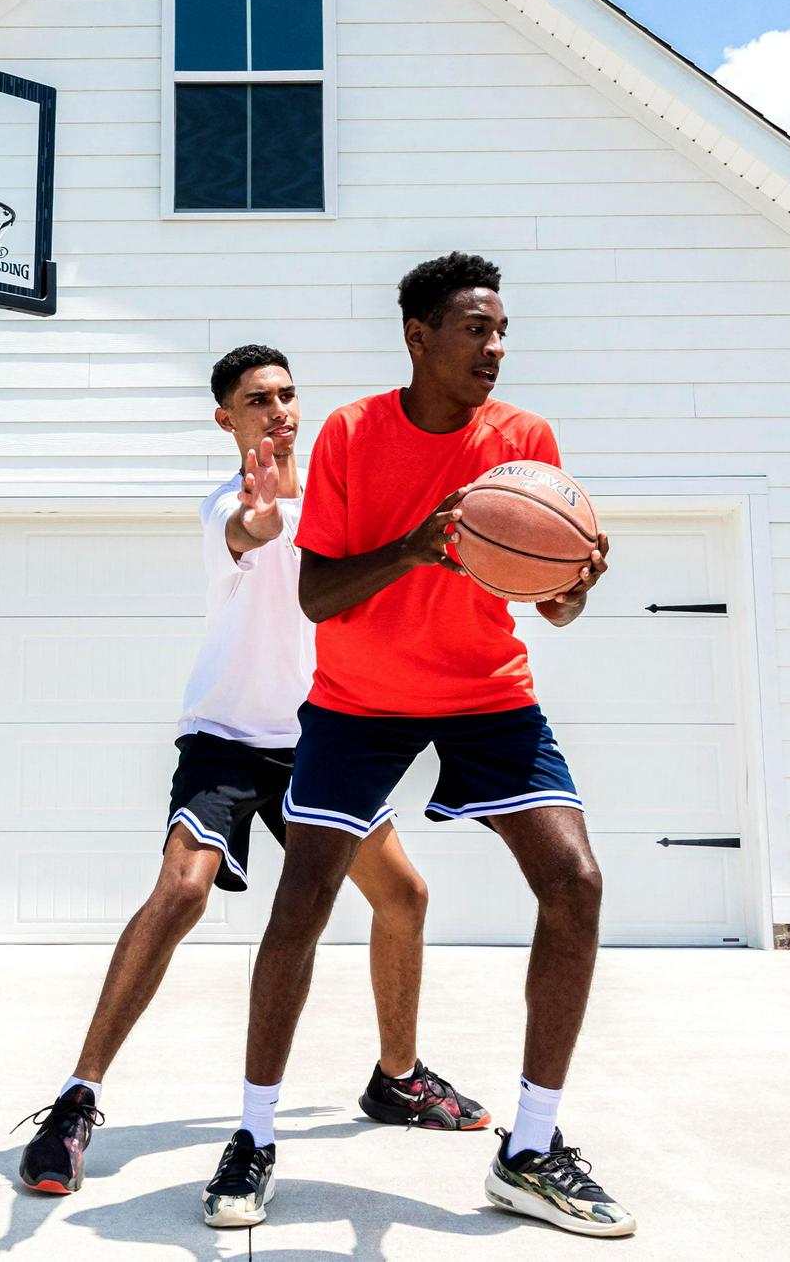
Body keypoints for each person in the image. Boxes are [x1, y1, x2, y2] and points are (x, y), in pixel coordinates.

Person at [204, 256, 634, 1238]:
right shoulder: (354, 433)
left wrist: (573, 584)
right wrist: (413, 546)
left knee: (575, 883)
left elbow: (551, 607)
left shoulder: (525, 439)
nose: (495, 348)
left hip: (487, 693)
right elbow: (317, 597)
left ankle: (530, 1150)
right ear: (419, 336)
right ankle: (255, 1136)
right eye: (476, 329)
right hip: (360, 699)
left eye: (502, 331)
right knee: (303, 899)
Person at [14, 344, 487, 1211]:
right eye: (257, 399)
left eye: (287, 394)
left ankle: (398, 1079)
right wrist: (261, 521)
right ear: (225, 418)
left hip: (320, 738)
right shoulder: (226, 507)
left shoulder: (341, 506)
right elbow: (251, 530)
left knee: (405, 897)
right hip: (227, 738)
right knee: (181, 893)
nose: (279, 410)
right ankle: (78, 1099)